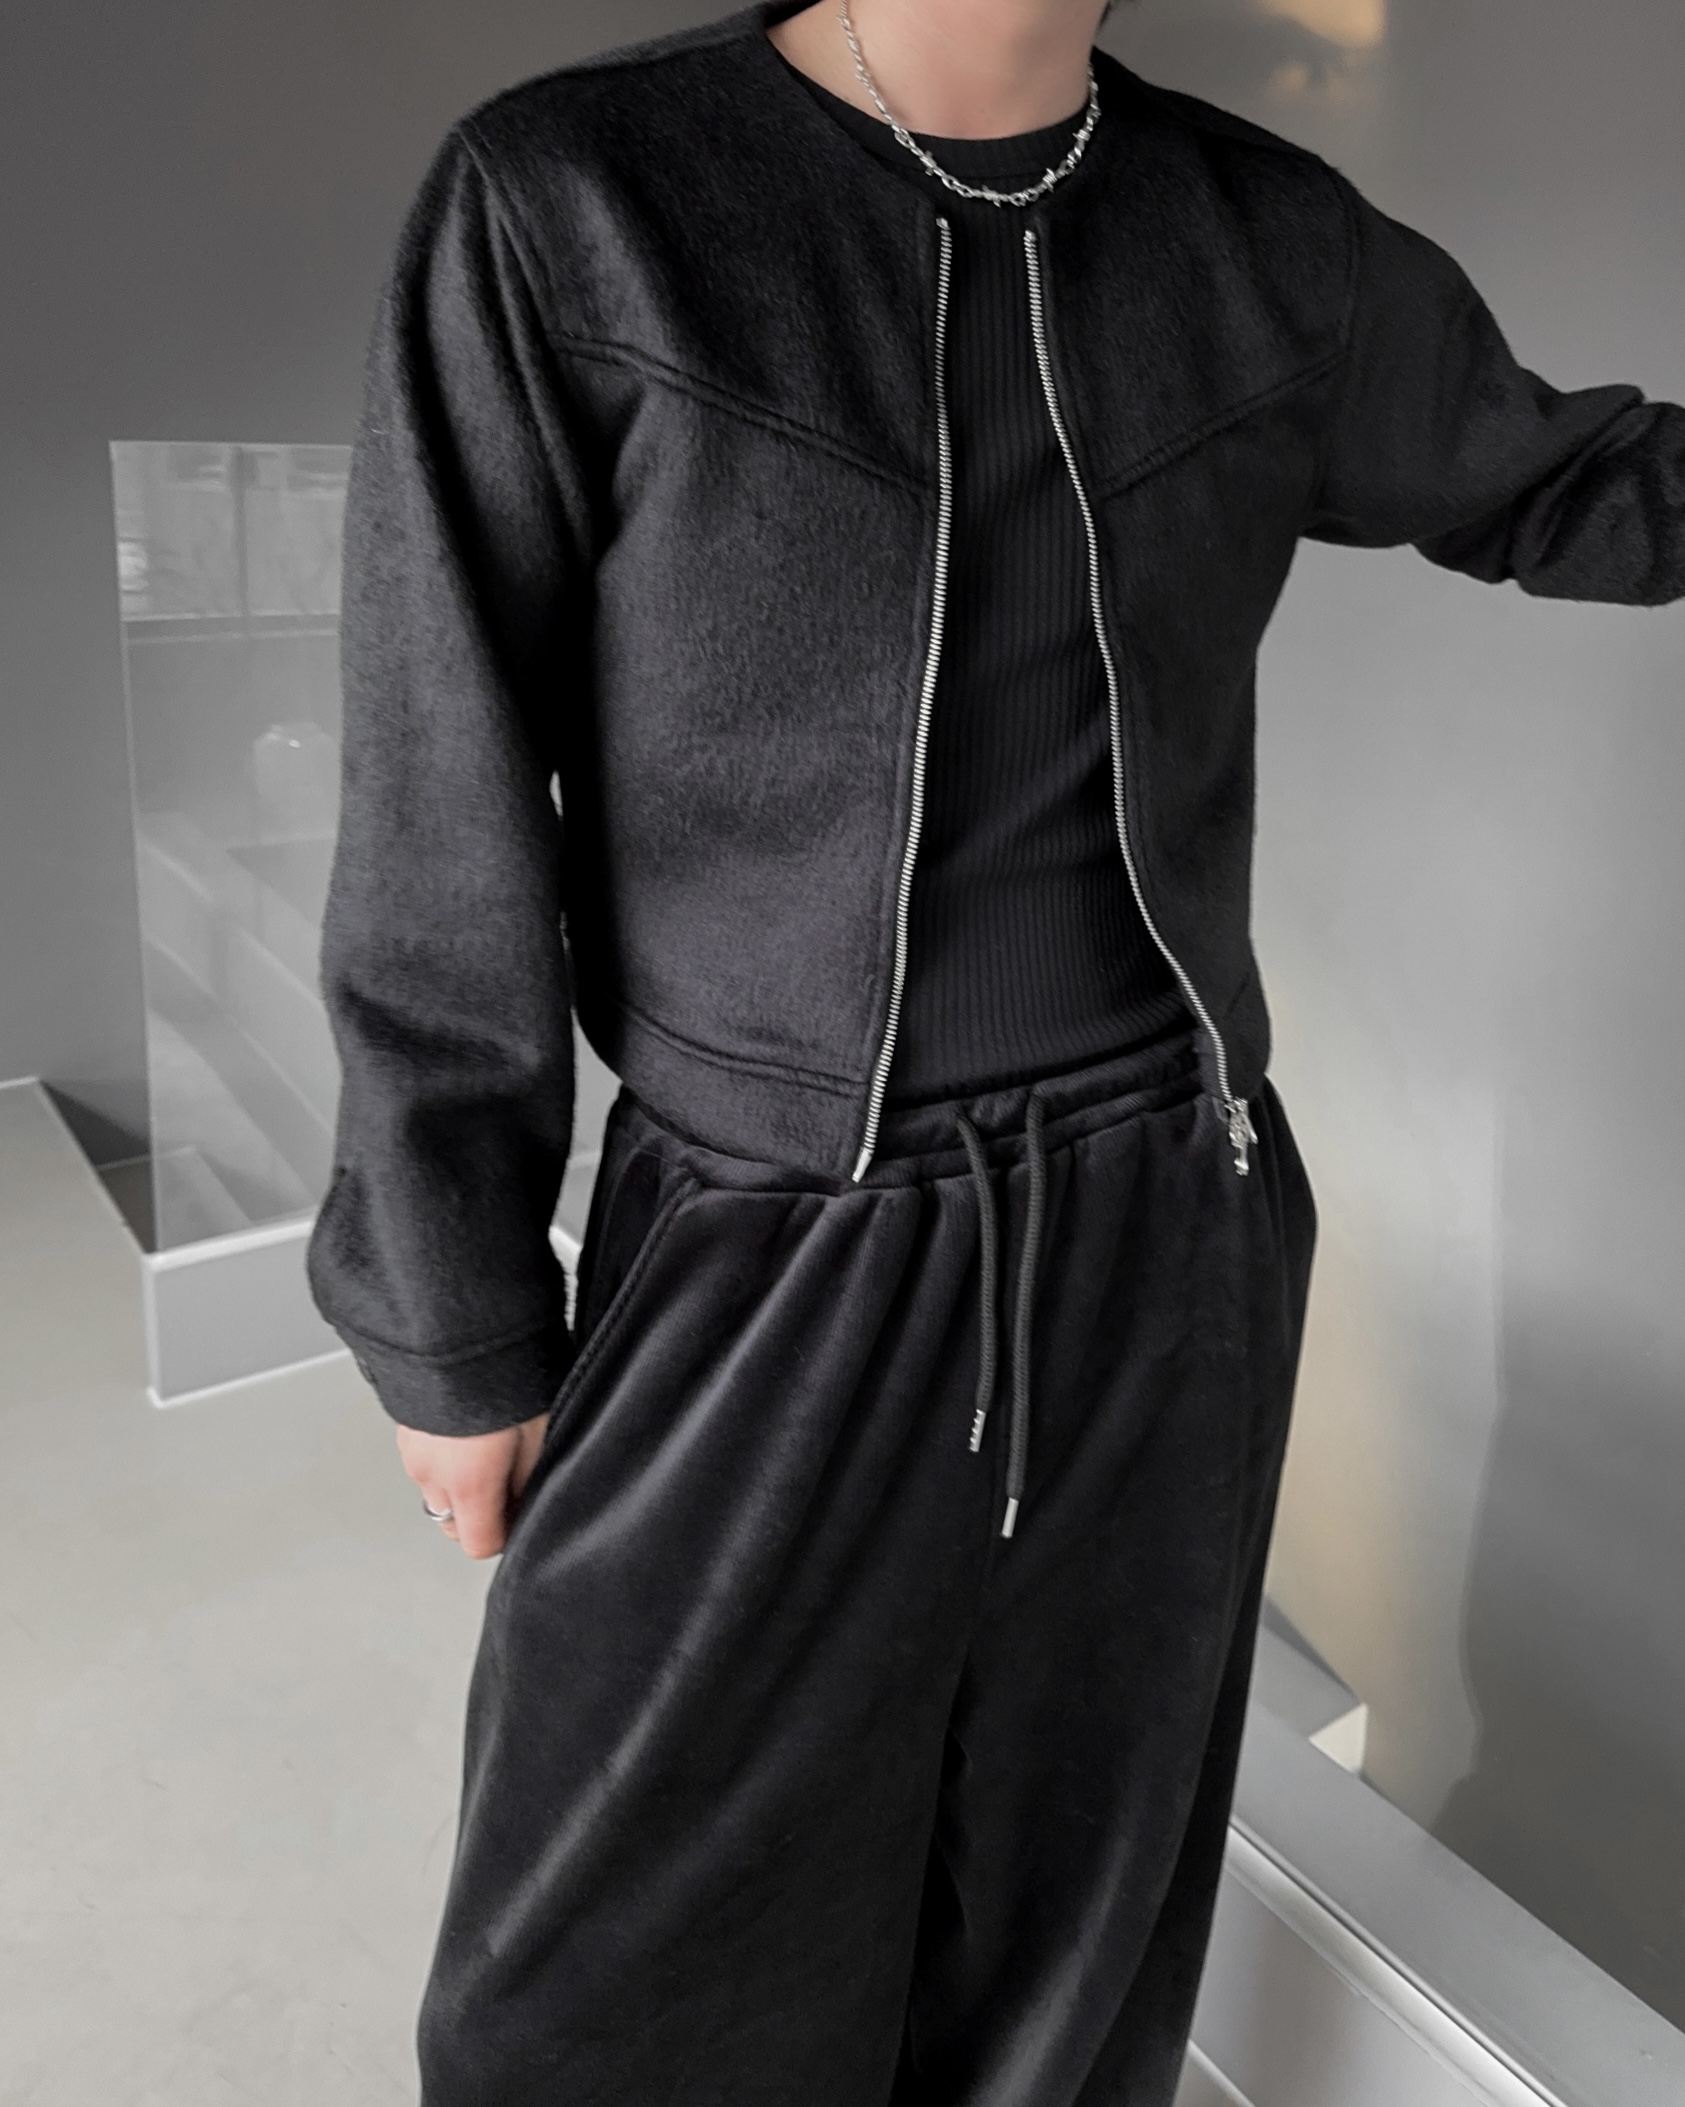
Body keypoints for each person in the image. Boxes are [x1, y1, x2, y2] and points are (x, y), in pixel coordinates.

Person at [305, 0, 1685, 2099]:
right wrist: (451, 1305)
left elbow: (1574, 480)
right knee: (603, 2014)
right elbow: (440, 778)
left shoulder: (1258, 237)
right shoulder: (579, 207)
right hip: (772, 1247)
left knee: (1066, 1982)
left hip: (1171, 1238)